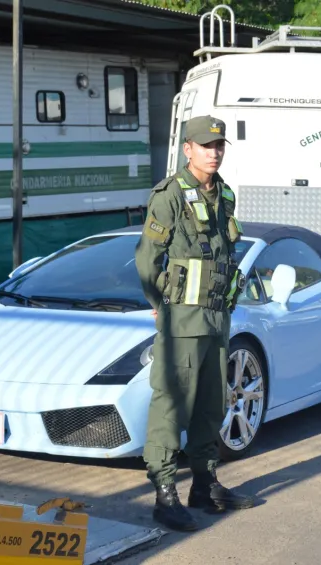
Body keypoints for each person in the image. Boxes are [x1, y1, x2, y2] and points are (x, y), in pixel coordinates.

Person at [134, 116, 254, 532]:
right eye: (206, 145)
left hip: (217, 316)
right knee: (171, 405)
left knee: (211, 403)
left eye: (219, 145)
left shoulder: (224, 195)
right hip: (182, 317)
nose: (214, 151)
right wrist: (158, 303)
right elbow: (147, 258)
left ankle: (204, 483)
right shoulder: (169, 195)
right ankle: (164, 492)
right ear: (187, 149)